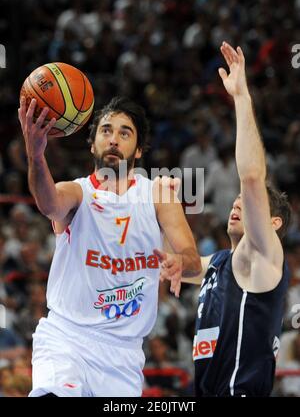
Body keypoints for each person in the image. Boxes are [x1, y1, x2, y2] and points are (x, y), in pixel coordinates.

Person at [18, 96, 201, 397]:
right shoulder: (77, 192)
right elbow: (48, 202)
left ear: (139, 150)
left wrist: (181, 261)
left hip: (123, 354)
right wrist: (36, 157)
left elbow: (192, 258)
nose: (114, 139)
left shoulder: (158, 196)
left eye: (125, 133)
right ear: (92, 144)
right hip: (67, 338)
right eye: (106, 131)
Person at [161, 42, 291, 397]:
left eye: (246, 204)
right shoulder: (217, 264)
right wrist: (155, 202)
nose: (238, 204)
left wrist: (241, 97)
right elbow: (167, 263)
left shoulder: (264, 257)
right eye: (235, 201)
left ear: (273, 223)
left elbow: (250, 178)